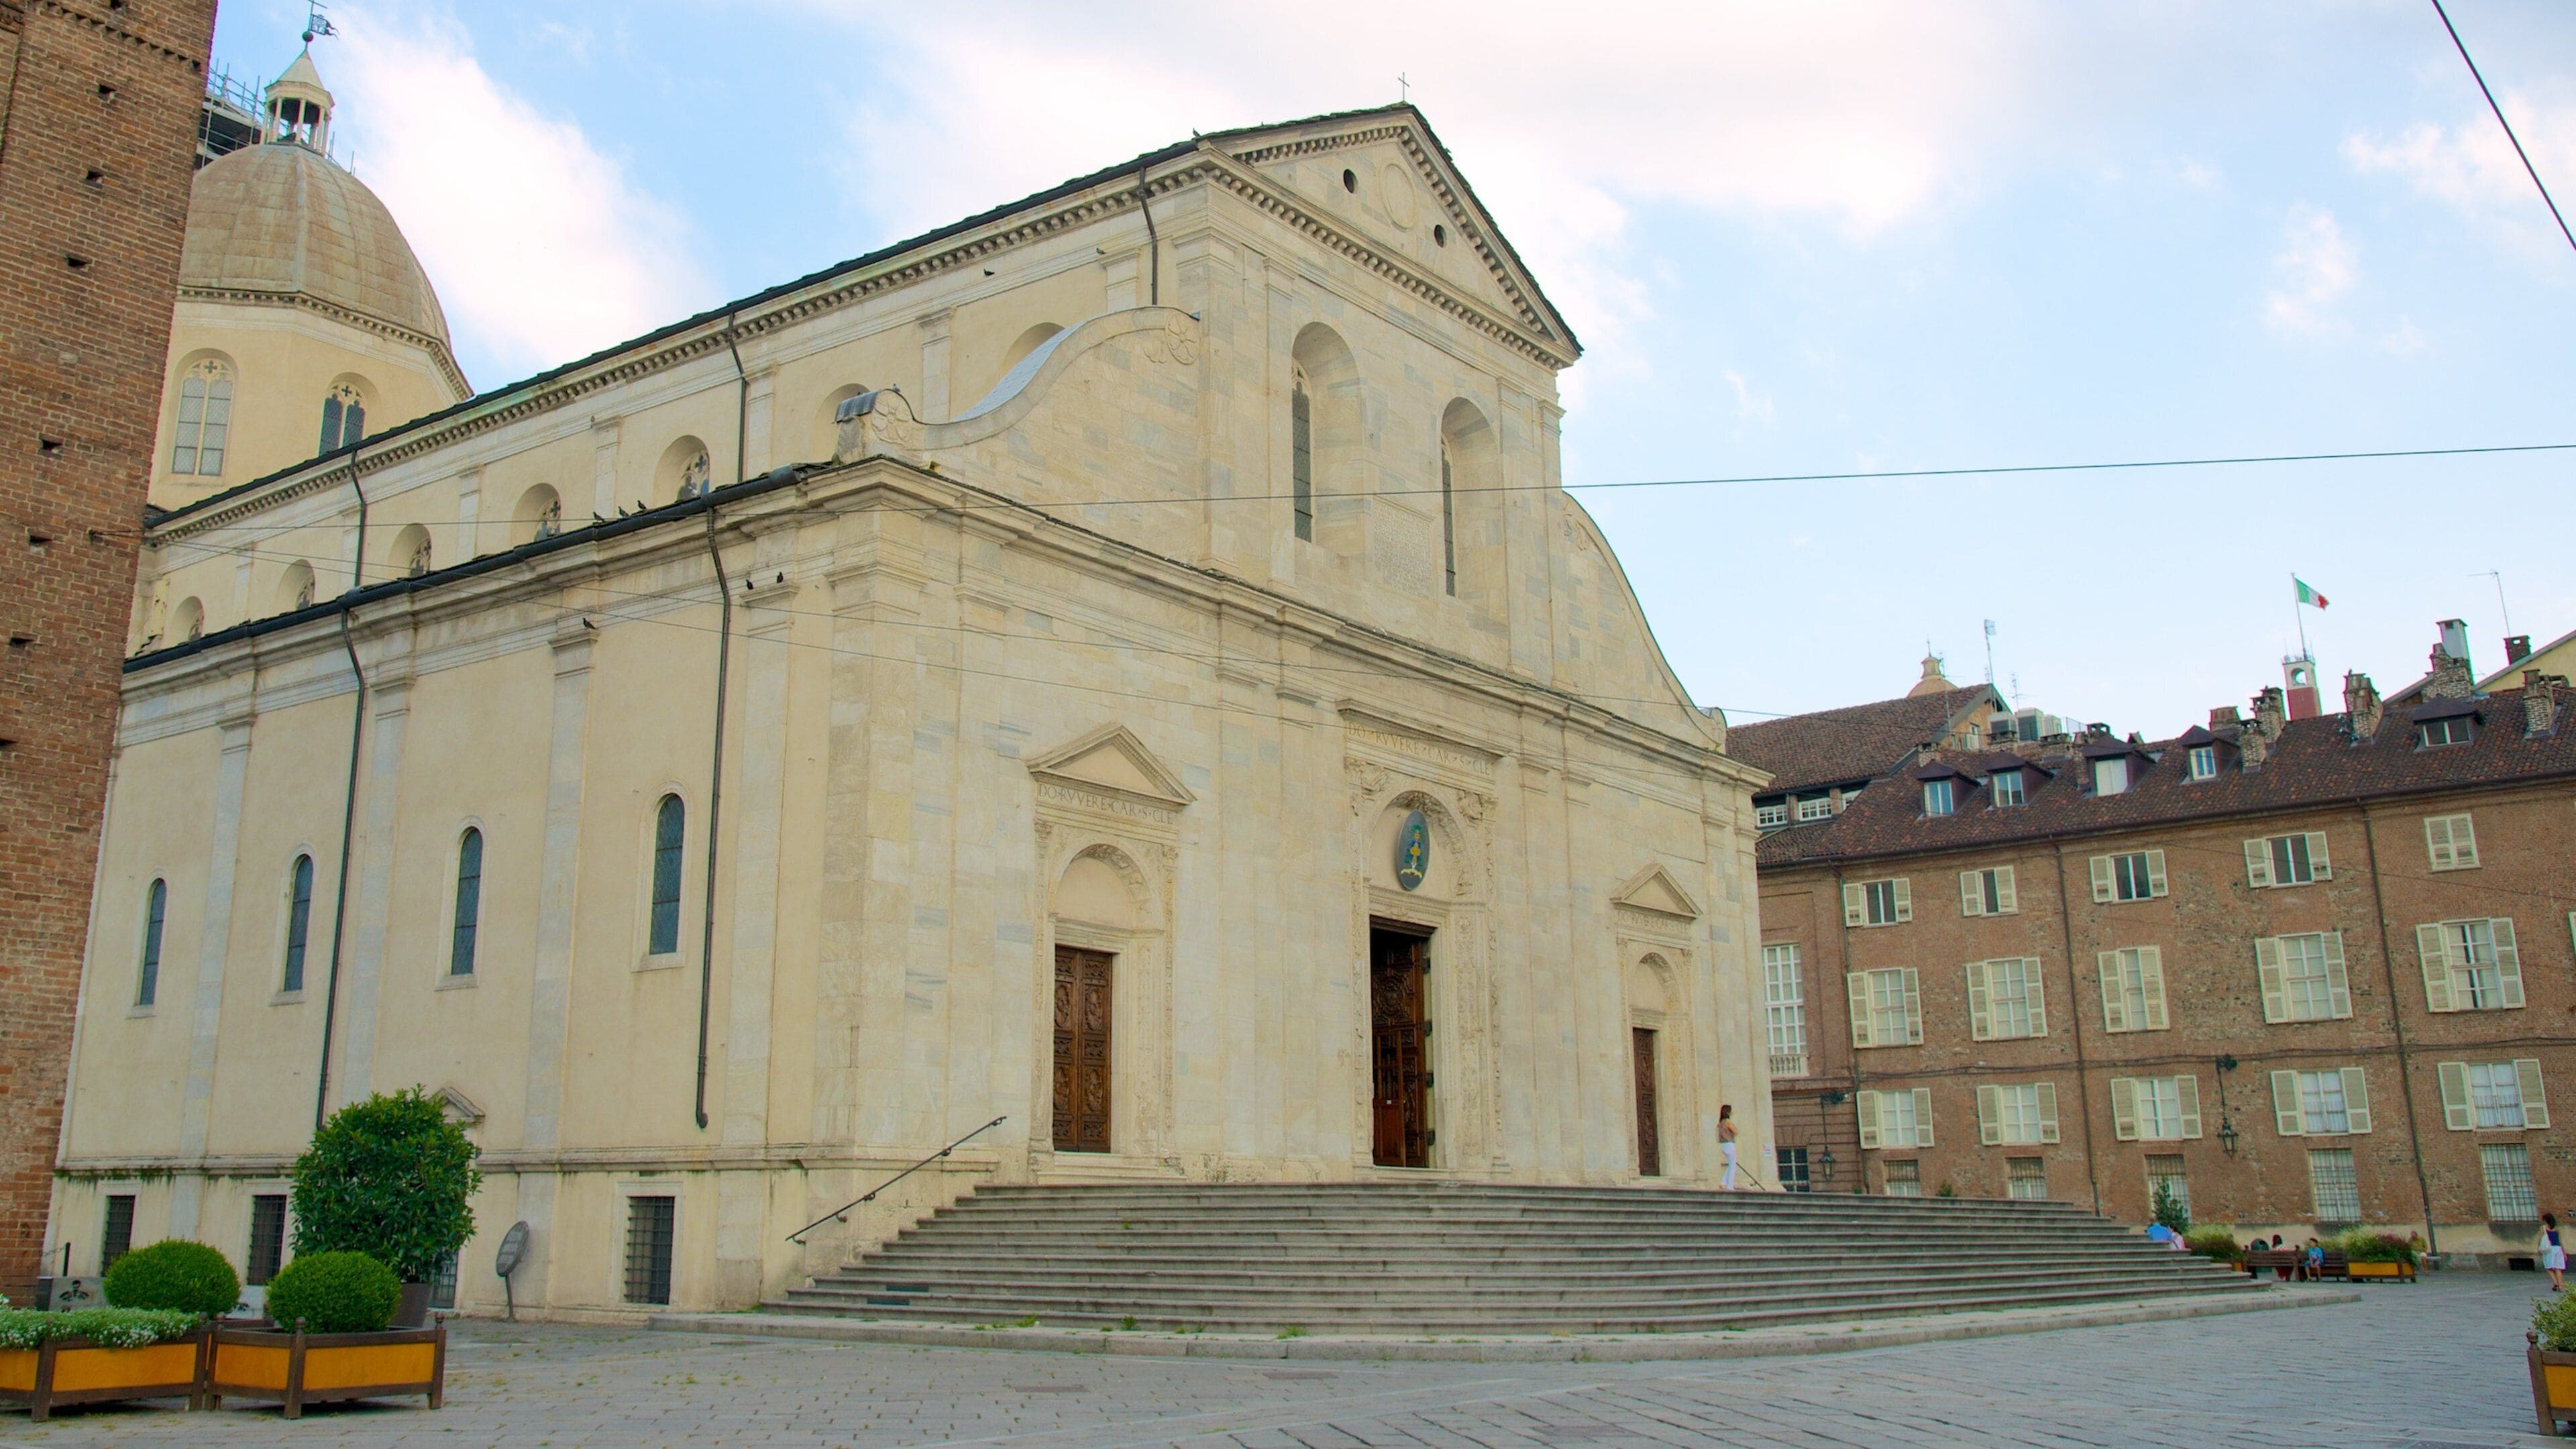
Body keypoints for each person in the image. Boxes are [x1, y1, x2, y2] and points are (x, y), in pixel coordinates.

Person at [1717, 1104, 1739, 1189]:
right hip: (1729, 1144)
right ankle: (1730, 1185)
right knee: (1733, 1166)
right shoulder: (1728, 1122)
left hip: (1724, 1145)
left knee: (1731, 1165)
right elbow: (1736, 1132)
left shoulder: (1721, 1123)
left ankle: (1723, 1182)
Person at [2544, 1214, 2566, 1293]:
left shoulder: (2544, 1228)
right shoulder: (2557, 1229)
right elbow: (2560, 1241)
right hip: (2558, 1249)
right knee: (2558, 1268)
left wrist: (2539, 1249)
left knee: (2548, 1266)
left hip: (2549, 1249)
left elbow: (2541, 1239)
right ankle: (2561, 1287)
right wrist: (2564, 1253)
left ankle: (2555, 1282)